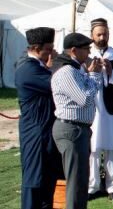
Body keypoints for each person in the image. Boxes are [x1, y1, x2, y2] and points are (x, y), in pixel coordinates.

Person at [51, 32, 103, 209]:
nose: (88, 53)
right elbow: (85, 99)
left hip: (78, 129)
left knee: (81, 181)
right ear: (73, 50)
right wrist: (94, 75)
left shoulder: (75, 69)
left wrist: (90, 76)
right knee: (76, 183)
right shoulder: (66, 72)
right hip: (71, 130)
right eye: (85, 49)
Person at [15, 27, 62, 209]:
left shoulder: (39, 66)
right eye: (49, 49)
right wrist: (55, 66)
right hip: (35, 133)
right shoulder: (28, 69)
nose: (52, 53)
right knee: (34, 182)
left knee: (47, 182)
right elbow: (57, 85)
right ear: (36, 48)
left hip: (45, 131)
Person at [87, 18, 113, 201]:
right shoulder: (86, 55)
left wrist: (111, 72)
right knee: (93, 149)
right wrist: (90, 71)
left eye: (105, 34)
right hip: (92, 108)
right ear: (92, 35)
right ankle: (92, 186)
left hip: (112, 108)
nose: (102, 38)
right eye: (99, 34)